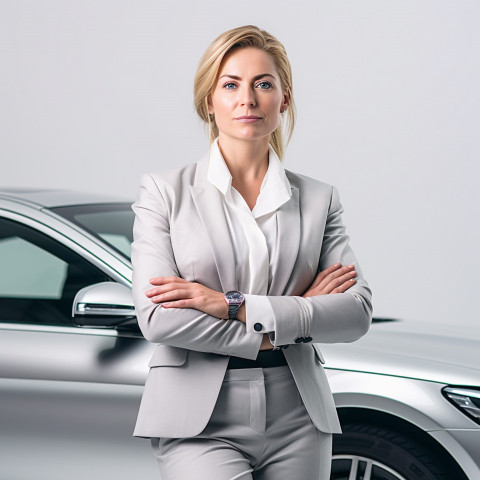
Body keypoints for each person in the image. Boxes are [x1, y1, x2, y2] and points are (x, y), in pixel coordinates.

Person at [131, 25, 372, 480]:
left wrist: (230, 305)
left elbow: (356, 312)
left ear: (284, 98)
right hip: (197, 416)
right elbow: (158, 316)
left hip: (298, 412)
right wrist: (288, 319)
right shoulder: (164, 192)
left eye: (264, 83)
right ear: (210, 101)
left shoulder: (320, 199)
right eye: (231, 85)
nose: (248, 99)